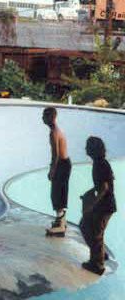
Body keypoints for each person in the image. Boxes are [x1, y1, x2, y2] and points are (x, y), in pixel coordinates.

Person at [79, 137, 116, 275]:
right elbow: (104, 184)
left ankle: (98, 265)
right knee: (90, 228)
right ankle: (100, 255)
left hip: (104, 206)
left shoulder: (100, 164)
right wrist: (89, 193)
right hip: (105, 205)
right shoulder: (100, 163)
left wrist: (91, 205)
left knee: (92, 231)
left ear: (93, 149)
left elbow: (105, 187)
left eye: (88, 146)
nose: (86, 149)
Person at [42, 107, 72, 237]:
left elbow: (56, 155)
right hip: (64, 164)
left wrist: (52, 171)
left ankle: (60, 225)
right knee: (60, 193)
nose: (42, 118)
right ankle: (61, 222)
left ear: (51, 117)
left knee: (57, 194)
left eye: (44, 116)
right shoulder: (56, 131)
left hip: (61, 164)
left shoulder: (54, 133)